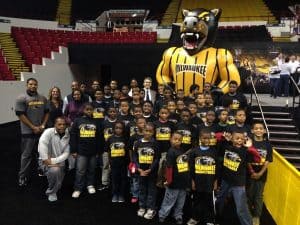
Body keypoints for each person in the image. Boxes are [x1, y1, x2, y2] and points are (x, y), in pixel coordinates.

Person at [216, 131, 260, 225]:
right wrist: (224, 135)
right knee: (220, 200)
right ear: (232, 139)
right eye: (237, 138)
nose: (239, 140)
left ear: (244, 140)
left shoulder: (246, 150)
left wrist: (250, 147)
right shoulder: (227, 146)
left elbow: (257, 158)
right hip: (226, 180)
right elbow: (216, 136)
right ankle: (217, 219)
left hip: (238, 184)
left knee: (241, 208)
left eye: (241, 138)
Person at [15, 78, 49, 186]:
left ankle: (41, 169)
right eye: (30, 84)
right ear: (27, 85)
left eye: (35, 84)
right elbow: (20, 115)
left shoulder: (43, 98)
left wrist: (43, 125)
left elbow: (47, 112)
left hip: (41, 130)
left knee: (41, 152)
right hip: (28, 132)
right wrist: (33, 127)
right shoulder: (21, 98)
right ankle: (22, 176)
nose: (33, 86)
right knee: (26, 155)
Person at [70, 103, 103, 198]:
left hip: (93, 151)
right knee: (80, 170)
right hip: (81, 151)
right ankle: (78, 188)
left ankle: (90, 185)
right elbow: (73, 137)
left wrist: (98, 151)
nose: (89, 111)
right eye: (87, 109)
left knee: (92, 169)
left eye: (90, 109)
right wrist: (74, 150)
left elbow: (99, 137)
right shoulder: (77, 121)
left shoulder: (96, 122)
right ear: (83, 110)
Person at [187, 129, 219, 225]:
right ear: (200, 138)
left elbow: (217, 168)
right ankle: (195, 218)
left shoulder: (214, 151)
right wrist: (192, 181)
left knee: (209, 201)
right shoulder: (194, 151)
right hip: (197, 181)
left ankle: (209, 219)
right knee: (197, 201)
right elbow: (191, 168)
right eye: (204, 138)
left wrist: (215, 181)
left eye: (208, 138)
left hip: (209, 182)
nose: (206, 140)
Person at [158, 132, 190, 225]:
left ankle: (178, 215)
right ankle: (162, 215)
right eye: (175, 139)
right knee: (169, 200)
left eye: (179, 140)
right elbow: (169, 168)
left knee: (181, 201)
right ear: (170, 140)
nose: (177, 141)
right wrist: (169, 180)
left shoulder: (182, 150)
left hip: (183, 182)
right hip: (173, 182)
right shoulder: (171, 151)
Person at [38, 117, 70, 202]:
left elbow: (67, 152)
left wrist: (53, 161)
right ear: (55, 125)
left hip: (59, 161)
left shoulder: (68, 134)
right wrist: (46, 160)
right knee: (55, 171)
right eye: (59, 124)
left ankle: (53, 181)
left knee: (59, 183)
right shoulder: (48, 132)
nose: (62, 126)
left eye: (64, 124)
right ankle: (51, 192)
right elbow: (42, 145)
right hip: (45, 160)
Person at [247, 123, 273, 225]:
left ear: (264, 131)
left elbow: (268, 160)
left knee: (258, 196)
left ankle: (256, 216)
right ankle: (248, 215)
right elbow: (246, 159)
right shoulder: (249, 143)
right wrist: (252, 172)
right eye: (256, 128)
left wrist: (260, 173)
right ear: (252, 131)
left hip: (262, 173)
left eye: (261, 129)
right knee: (249, 195)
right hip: (249, 173)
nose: (258, 130)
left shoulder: (267, 144)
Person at [133, 123, 159, 220]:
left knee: (152, 190)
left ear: (153, 132)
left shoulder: (155, 143)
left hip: (151, 172)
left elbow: (157, 158)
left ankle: (150, 208)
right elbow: (135, 157)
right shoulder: (137, 143)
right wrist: (139, 169)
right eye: (146, 130)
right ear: (143, 131)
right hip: (141, 171)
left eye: (150, 131)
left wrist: (151, 169)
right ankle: (142, 206)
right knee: (142, 189)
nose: (148, 133)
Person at [107, 121, 128, 203]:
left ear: (123, 129)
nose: (118, 130)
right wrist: (109, 162)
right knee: (114, 179)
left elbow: (127, 151)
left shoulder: (125, 139)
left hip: (123, 163)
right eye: (117, 128)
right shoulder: (110, 138)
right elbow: (108, 151)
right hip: (113, 163)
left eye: (120, 128)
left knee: (123, 179)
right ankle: (115, 194)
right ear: (113, 129)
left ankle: (122, 194)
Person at [128, 117, 146, 203]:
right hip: (135, 161)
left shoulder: (148, 136)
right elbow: (130, 150)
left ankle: (143, 194)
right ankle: (135, 195)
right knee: (135, 179)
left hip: (145, 160)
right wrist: (132, 161)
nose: (142, 125)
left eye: (144, 123)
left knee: (144, 179)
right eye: (140, 123)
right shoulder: (133, 137)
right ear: (136, 125)